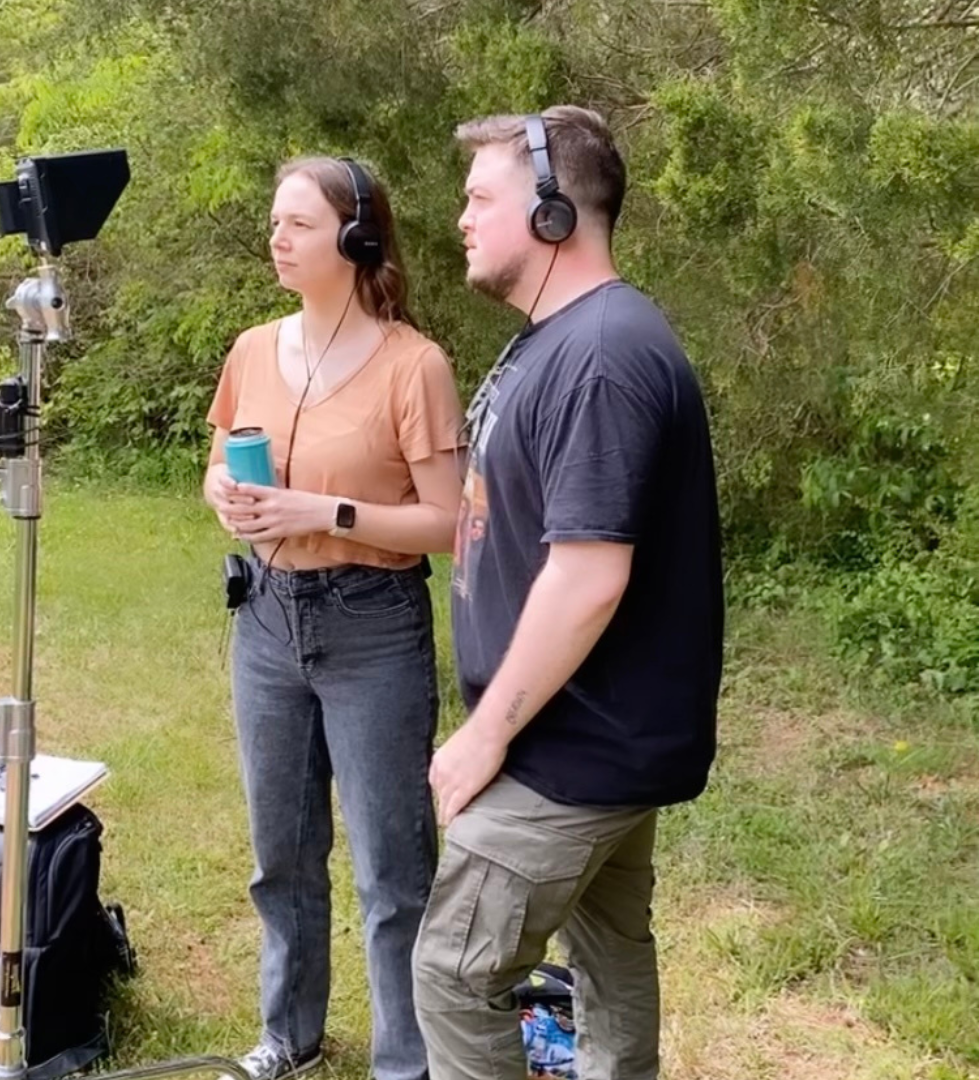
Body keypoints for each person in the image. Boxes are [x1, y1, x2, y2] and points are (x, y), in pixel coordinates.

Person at [411, 107, 724, 1080]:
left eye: (480, 197)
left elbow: (590, 574)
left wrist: (488, 731)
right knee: (609, 958)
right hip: (596, 736)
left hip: (567, 748)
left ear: (553, 212)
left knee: (455, 973)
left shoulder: (600, 354)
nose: (460, 217)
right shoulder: (565, 338)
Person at [205, 155, 464, 1080]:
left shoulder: (415, 366)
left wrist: (327, 512)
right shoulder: (249, 350)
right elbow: (217, 465)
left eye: (298, 224)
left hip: (373, 624)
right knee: (282, 854)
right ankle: (290, 1036)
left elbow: (448, 523)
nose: (277, 238)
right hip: (267, 621)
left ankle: (409, 1061)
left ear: (356, 241)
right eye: (275, 222)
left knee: (392, 871)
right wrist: (229, 501)